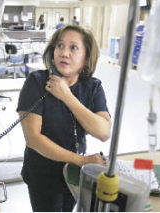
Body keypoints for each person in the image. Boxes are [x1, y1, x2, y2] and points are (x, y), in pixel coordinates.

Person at [17, 24, 111, 211]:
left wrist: (67, 96)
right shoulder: (36, 82)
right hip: (43, 174)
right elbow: (33, 139)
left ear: (86, 57)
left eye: (73, 47)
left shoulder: (93, 87)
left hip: (73, 174)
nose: (64, 53)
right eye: (60, 46)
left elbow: (103, 132)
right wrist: (82, 161)